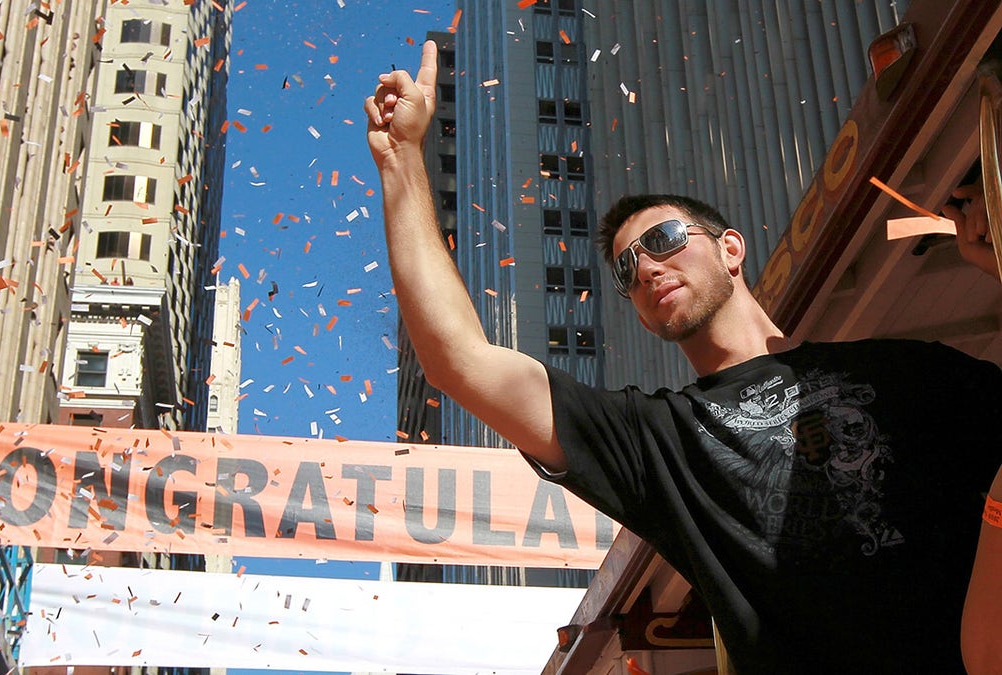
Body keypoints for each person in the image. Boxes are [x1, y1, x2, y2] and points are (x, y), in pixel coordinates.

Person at [366, 41, 1002, 673]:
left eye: (664, 239)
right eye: (624, 266)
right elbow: (460, 362)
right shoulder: (657, 442)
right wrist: (402, 161)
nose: (645, 266)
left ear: (730, 248)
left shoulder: (904, 369)